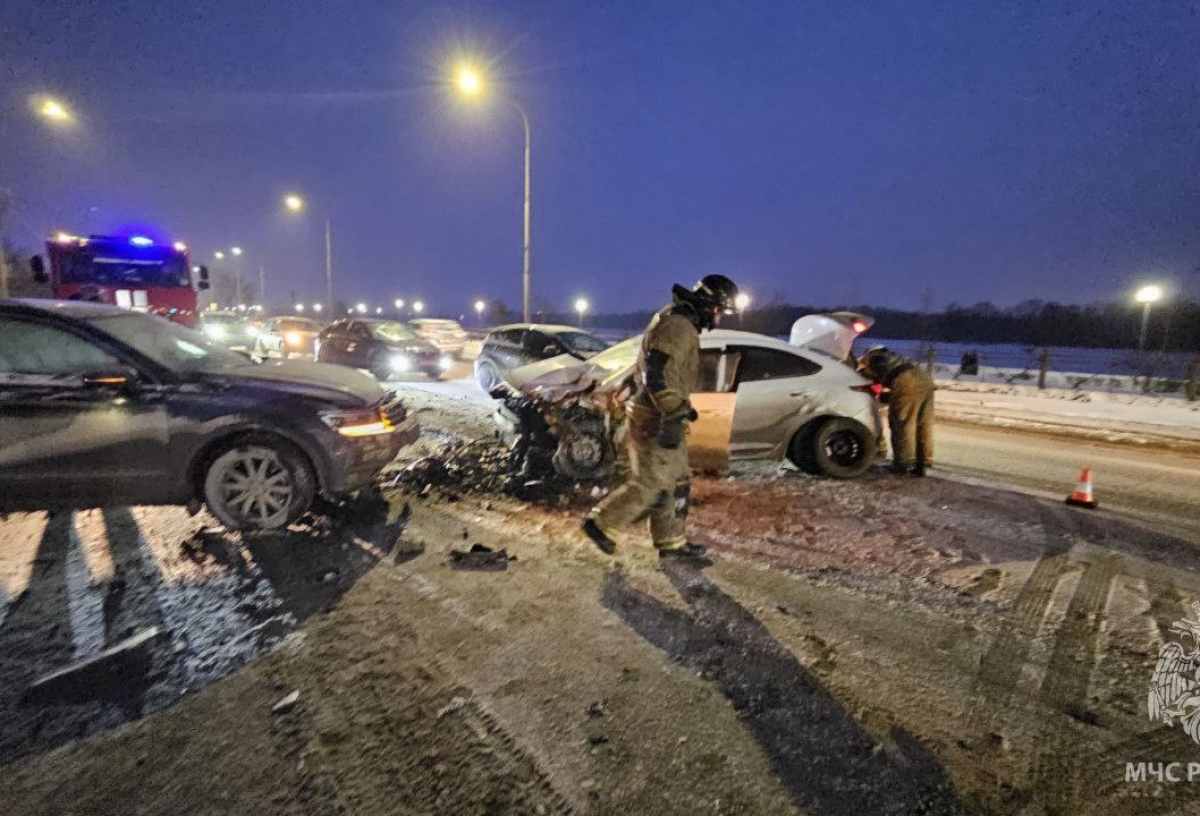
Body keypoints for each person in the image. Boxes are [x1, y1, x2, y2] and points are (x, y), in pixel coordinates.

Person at [581, 274, 740, 559]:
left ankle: (671, 542)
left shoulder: (676, 319)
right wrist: (672, 412)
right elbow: (656, 374)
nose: (718, 318)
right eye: (719, 311)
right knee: (651, 482)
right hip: (656, 417)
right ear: (708, 304)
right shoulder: (678, 326)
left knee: (676, 479)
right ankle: (600, 523)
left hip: (663, 413)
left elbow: (662, 371)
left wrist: (679, 408)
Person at [858, 346, 934, 476]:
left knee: (903, 423)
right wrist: (887, 396)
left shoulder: (876, 358)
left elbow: (881, 379)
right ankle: (923, 462)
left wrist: (870, 383)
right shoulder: (894, 357)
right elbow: (893, 387)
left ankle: (902, 465)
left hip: (906, 380)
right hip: (924, 378)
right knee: (923, 423)